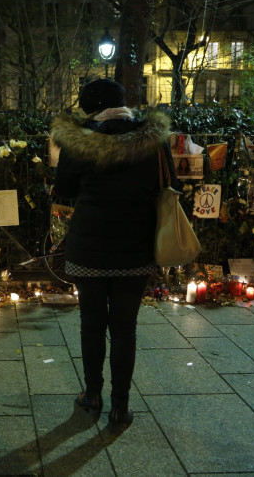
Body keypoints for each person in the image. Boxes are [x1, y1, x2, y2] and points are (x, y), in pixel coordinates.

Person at [50, 78, 175, 432]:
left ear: (93, 108)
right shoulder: (152, 138)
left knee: (92, 325)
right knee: (125, 328)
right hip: (135, 245)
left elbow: (64, 190)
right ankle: (120, 408)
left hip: (89, 245)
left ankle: (92, 395)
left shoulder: (79, 141)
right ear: (123, 102)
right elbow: (169, 183)